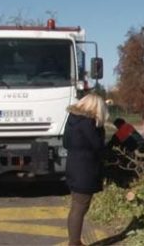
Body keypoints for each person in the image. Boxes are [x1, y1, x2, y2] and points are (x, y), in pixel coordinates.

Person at [63, 93, 108, 246]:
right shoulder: (88, 123)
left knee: (76, 205)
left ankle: (74, 241)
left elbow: (65, 142)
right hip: (85, 170)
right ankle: (74, 243)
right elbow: (98, 146)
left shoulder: (72, 120)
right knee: (80, 207)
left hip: (73, 167)